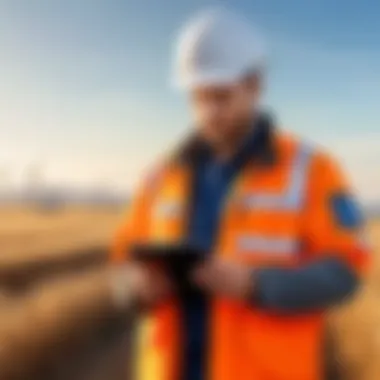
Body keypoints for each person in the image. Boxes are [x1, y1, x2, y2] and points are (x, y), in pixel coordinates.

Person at [111, 7, 370, 380]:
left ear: (255, 85)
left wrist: (258, 285)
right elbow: (122, 264)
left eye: (220, 96)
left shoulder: (311, 168)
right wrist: (134, 288)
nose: (208, 112)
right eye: (197, 98)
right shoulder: (160, 175)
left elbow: (347, 270)